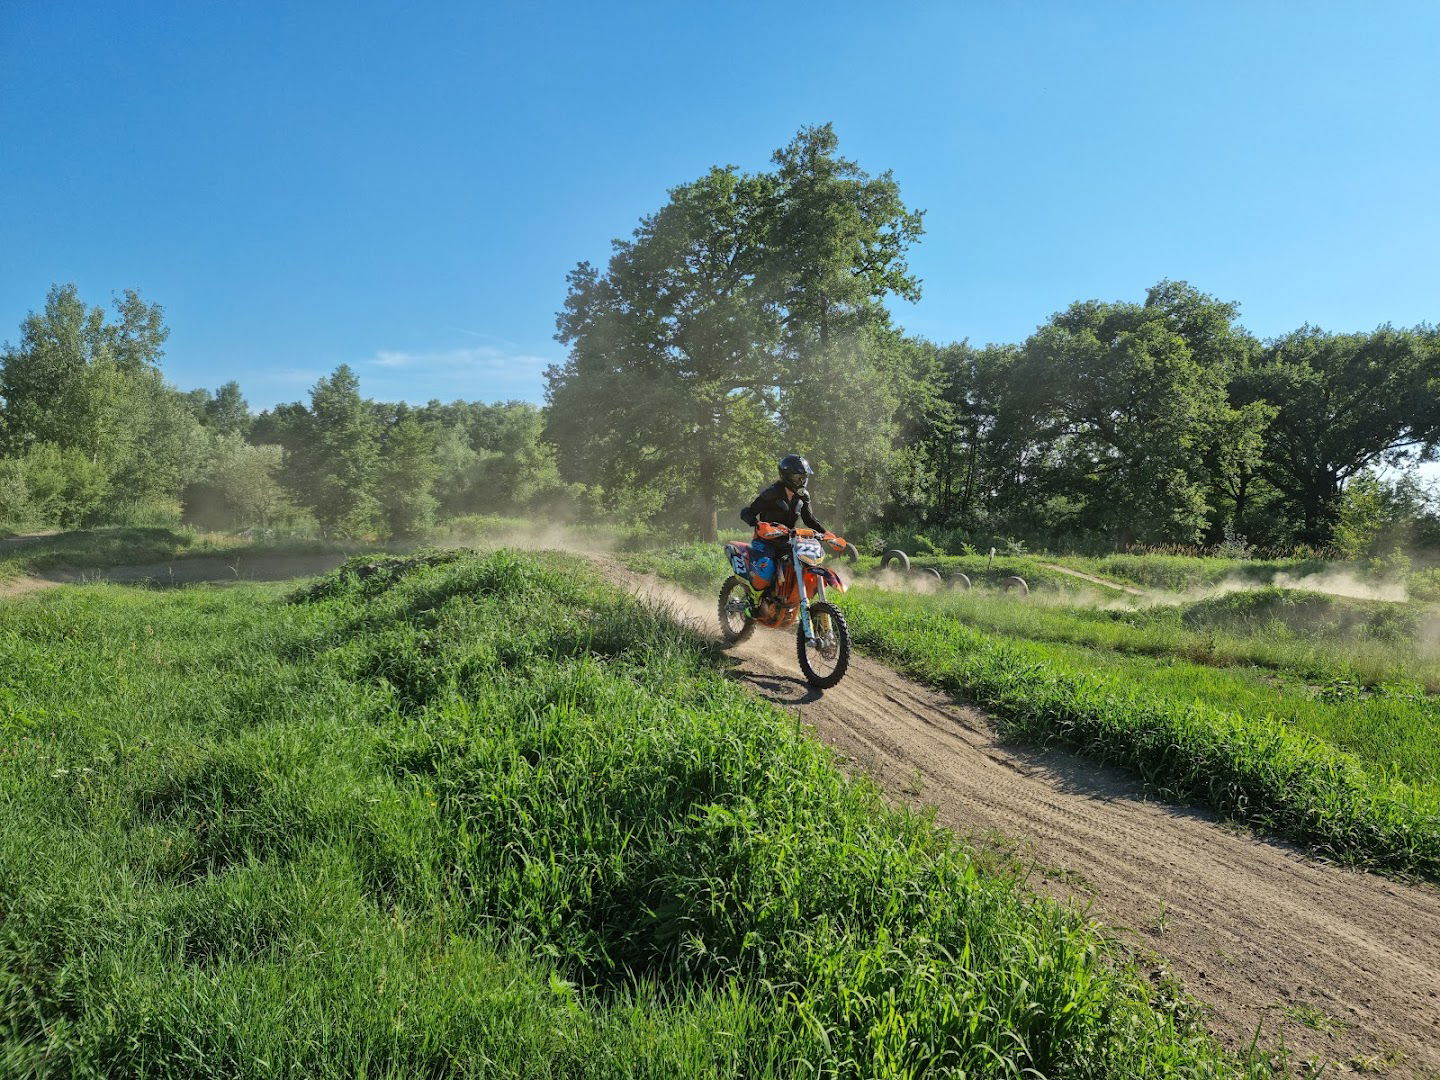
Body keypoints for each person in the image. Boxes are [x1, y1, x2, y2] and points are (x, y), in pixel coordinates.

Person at [739, 454, 826, 594]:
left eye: (804, 477)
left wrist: (826, 533)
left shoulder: (803, 496)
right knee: (766, 570)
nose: (802, 481)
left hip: (788, 540)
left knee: (806, 563)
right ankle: (756, 599)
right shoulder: (772, 493)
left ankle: (789, 598)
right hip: (766, 540)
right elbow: (747, 512)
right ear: (787, 476)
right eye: (798, 477)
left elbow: (809, 519)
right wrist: (757, 524)